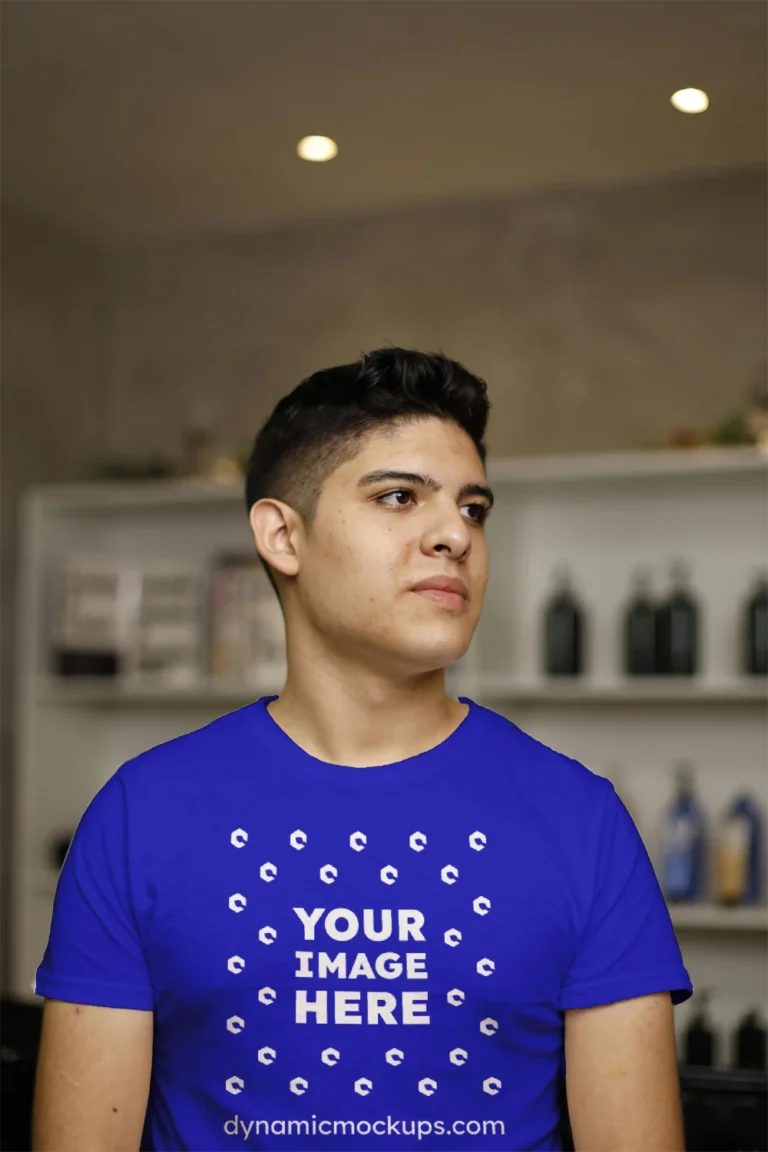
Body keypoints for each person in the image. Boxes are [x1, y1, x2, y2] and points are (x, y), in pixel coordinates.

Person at [32, 347, 692, 1152]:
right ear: (283, 535)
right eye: (399, 496)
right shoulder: (141, 816)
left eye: (475, 509)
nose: (454, 533)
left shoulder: (581, 820)